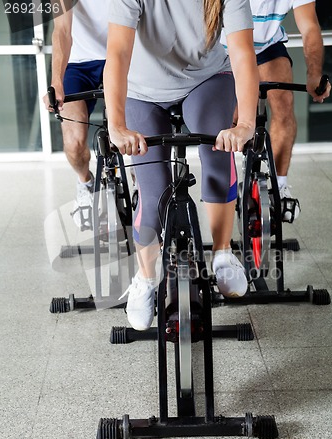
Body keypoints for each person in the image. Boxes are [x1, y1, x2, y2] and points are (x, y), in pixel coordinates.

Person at [104, 0, 260, 331]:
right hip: (142, 91)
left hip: (207, 80)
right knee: (153, 188)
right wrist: (116, 123)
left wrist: (245, 123)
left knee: (217, 147)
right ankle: (147, 277)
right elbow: (117, 53)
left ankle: (221, 252)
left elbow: (243, 53)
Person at [222, 0, 331, 222]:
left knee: (284, 104)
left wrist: (314, 74)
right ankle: (223, 188)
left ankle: (279, 187)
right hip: (224, 45)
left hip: (267, 46)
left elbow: (310, 27)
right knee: (230, 116)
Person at [43, 0, 110, 229]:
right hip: (78, 64)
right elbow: (61, 29)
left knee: (138, 126)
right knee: (73, 142)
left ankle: (143, 185)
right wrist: (56, 83)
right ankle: (85, 183)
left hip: (123, 57)